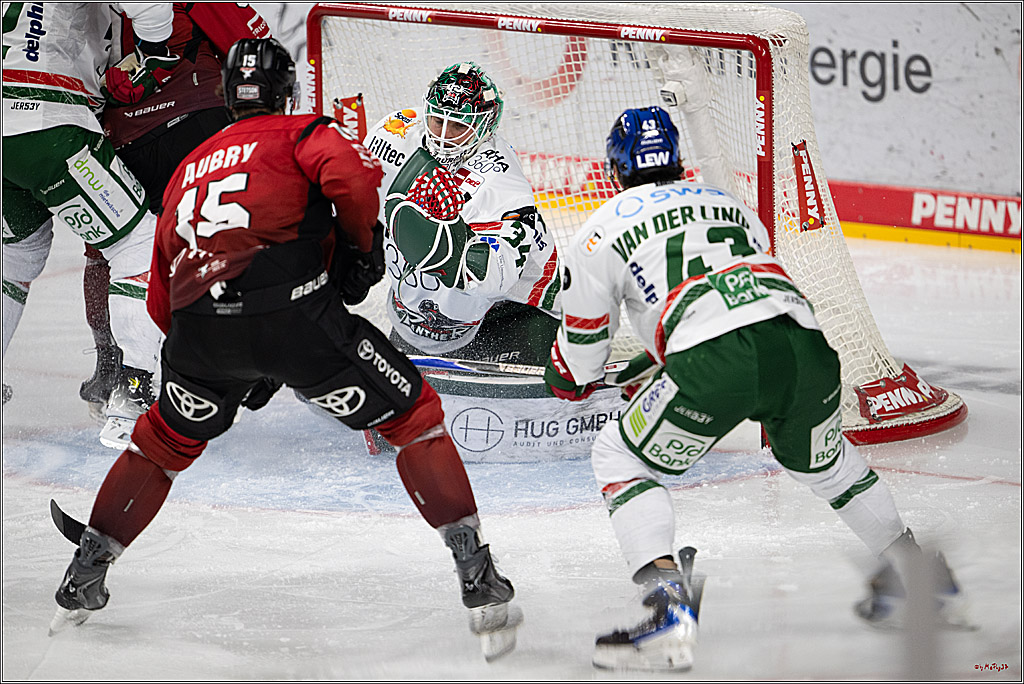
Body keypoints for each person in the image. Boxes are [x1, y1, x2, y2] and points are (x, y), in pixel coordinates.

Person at [50, 38, 521, 662]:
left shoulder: (192, 163)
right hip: (298, 320)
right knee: (416, 422)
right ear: (288, 93)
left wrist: (211, 354)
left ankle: (87, 571)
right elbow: (352, 183)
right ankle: (476, 575)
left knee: (161, 446)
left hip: (199, 335)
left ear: (224, 99)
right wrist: (356, 254)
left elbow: (161, 288)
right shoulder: (304, 132)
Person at [544, 106, 967, 671]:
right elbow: (732, 292)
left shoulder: (600, 228)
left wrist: (569, 377)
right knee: (830, 467)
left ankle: (668, 611)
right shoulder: (729, 203)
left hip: (717, 361)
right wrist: (656, 360)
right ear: (676, 157)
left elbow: (584, 345)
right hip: (805, 348)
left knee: (622, 458)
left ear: (615, 165)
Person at [79, 3, 273, 426]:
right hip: (198, 118)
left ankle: (114, 370)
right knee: (220, 240)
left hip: (118, 137)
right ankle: (222, 370)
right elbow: (255, 47)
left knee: (113, 251)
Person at [2, 3, 175, 443]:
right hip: (46, 123)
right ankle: (133, 397)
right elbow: (151, 7)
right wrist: (155, 50)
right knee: (138, 242)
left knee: (14, 259)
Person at [362, 61, 562, 367]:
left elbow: (497, 274)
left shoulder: (501, 184)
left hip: (513, 313)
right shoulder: (394, 135)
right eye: (437, 120)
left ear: (485, 126)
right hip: (418, 318)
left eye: (458, 125)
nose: (443, 135)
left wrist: (447, 254)